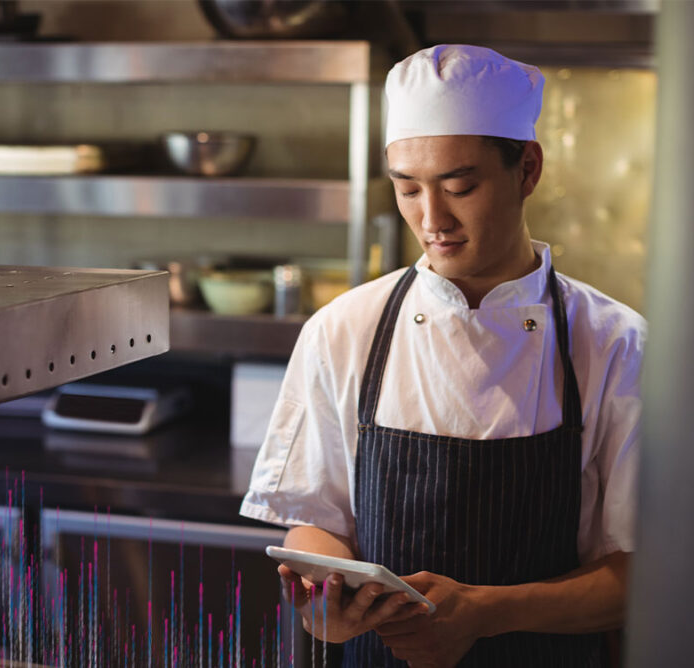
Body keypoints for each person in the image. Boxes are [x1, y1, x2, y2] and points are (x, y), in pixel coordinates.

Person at [240, 44, 644, 668]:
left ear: (527, 169)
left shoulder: (615, 343)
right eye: (407, 189)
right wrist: (326, 606)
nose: (432, 220)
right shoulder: (345, 330)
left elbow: (642, 574)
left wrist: (487, 613)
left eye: (460, 186)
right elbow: (315, 523)